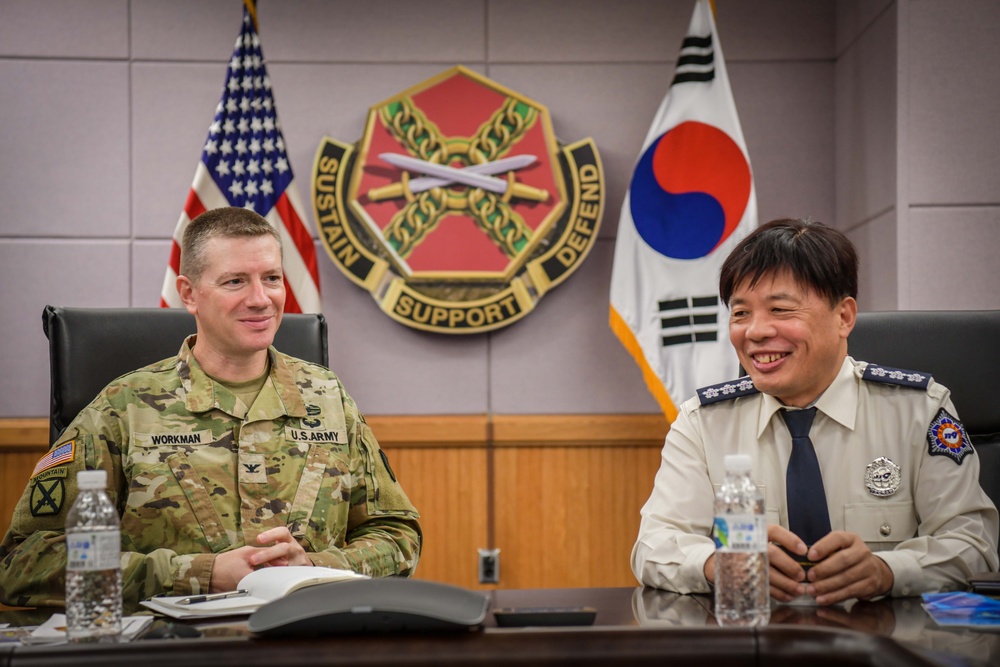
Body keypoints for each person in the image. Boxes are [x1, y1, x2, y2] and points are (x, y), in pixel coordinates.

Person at [0, 207, 422, 607]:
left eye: (272, 278)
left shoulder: (327, 396)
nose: (261, 299)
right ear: (189, 294)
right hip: (173, 648)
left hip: (303, 638)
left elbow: (397, 534)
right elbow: (24, 561)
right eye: (235, 281)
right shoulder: (122, 408)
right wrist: (199, 573)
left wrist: (315, 567)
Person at [632, 218, 998, 606]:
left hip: (887, 646)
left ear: (843, 317)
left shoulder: (917, 411)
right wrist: (716, 563)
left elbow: (972, 544)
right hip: (754, 642)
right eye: (740, 313)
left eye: (780, 309)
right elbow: (653, 546)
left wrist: (888, 571)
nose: (754, 332)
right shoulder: (703, 422)